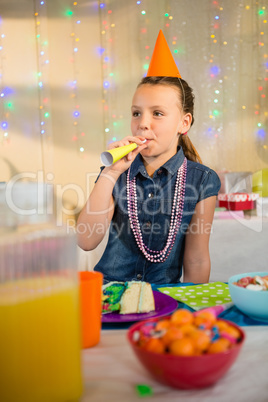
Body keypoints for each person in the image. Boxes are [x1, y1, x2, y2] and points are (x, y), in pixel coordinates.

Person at [77, 30, 221, 285]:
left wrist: (195, 310)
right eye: (136, 113)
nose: (143, 124)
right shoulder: (114, 173)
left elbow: (197, 259)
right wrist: (110, 174)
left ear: (183, 123)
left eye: (157, 113)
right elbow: (86, 240)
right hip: (111, 294)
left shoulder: (203, 180)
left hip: (164, 299)